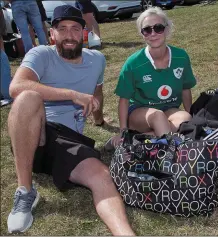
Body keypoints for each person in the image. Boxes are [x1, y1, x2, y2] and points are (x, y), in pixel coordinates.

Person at [6, 5, 135, 235]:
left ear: (84, 33)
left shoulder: (97, 60)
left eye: (75, 29)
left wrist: (99, 121)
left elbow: (97, 94)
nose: (69, 35)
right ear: (51, 34)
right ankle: (25, 191)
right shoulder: (40, 54)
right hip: (36, 134)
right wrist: (72, 95)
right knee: (28, 97)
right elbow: (16, 87)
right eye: (62, 29)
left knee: (101, 175)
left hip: (68, 143)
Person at [107, 7, 196, 149]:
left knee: (185, 119)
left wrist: (192, 115)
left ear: (166, 30)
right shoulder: (133, 63)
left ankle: (136, 140)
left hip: (170, 109)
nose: (153, 34)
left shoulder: (181, 56)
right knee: (158, 116)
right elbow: (123, 100)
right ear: (142, 34)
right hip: (139, 112)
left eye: (158, 28)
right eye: (147, 30)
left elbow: (186, 88)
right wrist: (123, 130)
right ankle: (171, 154)